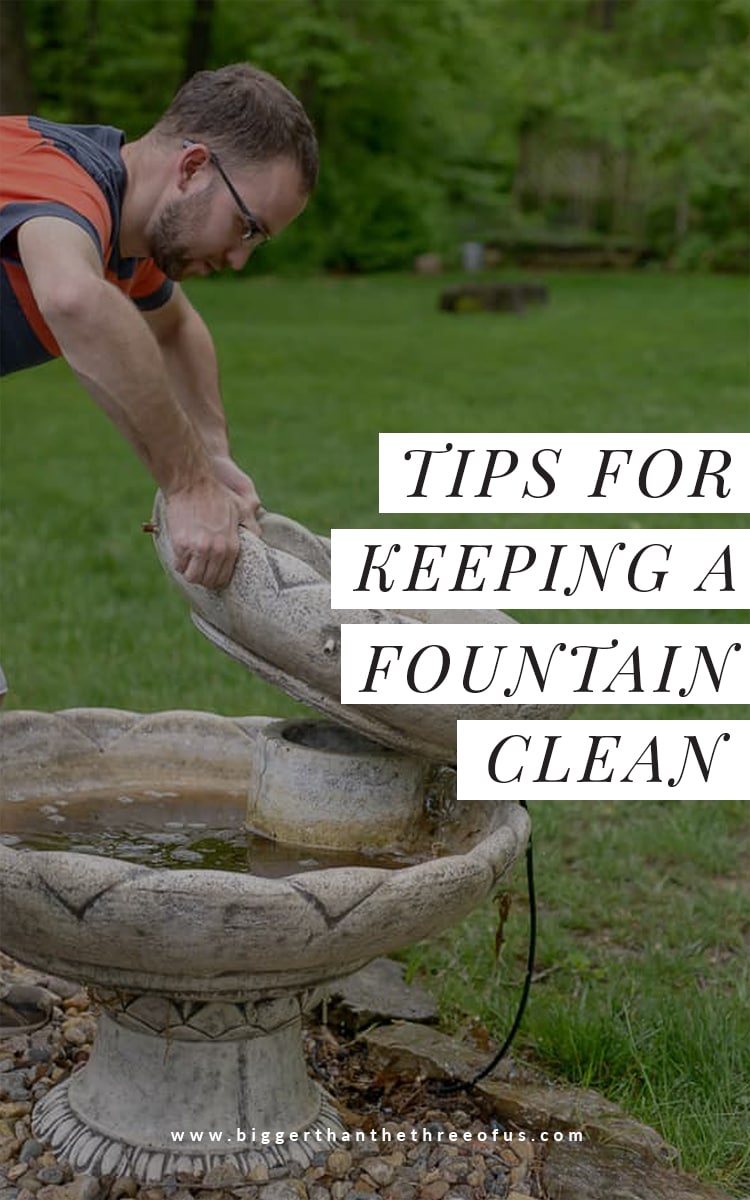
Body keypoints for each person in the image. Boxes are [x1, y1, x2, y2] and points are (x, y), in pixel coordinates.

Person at [0, 64, 318, 589]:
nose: (239, 259)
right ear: (192, 168)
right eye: (246, 227)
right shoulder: (53, 174)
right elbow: (75, 300)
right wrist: (190, 485)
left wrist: (213, 454)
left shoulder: (122, 240)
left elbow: (176, 328)